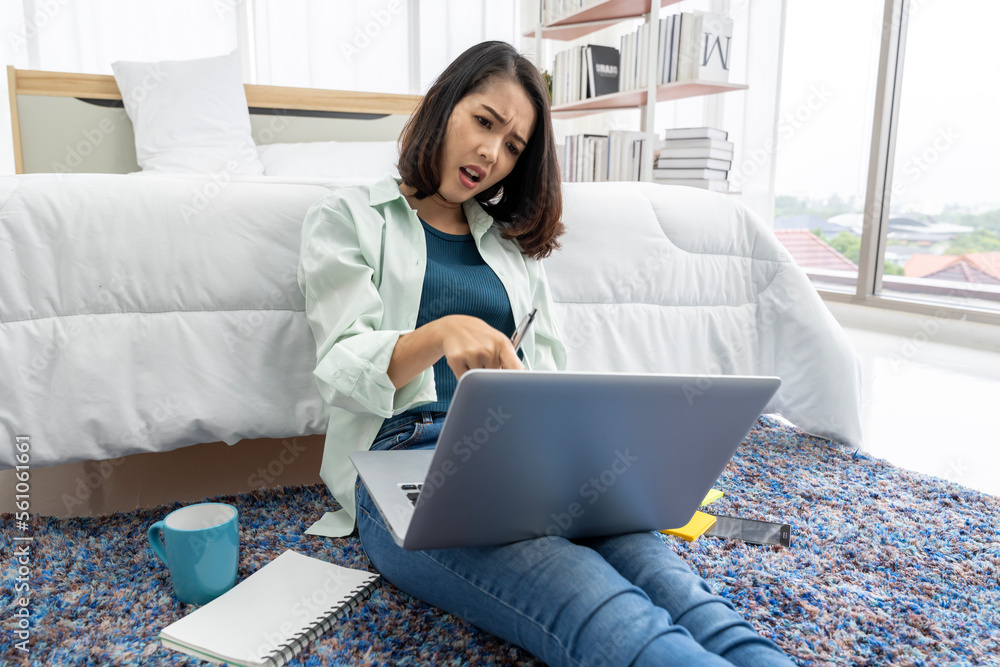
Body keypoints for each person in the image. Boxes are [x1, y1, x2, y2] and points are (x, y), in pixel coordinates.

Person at [298, 40, 796, 667]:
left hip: (530, 459)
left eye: (513, 146)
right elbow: (341, 366)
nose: (492, 154)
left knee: (687, 597)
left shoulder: (510, 250)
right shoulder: (348, 217)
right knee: (600, 607)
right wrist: (440, 333)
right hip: (406, 461)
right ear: (443, 106)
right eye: (484, 122)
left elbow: (548, 377)